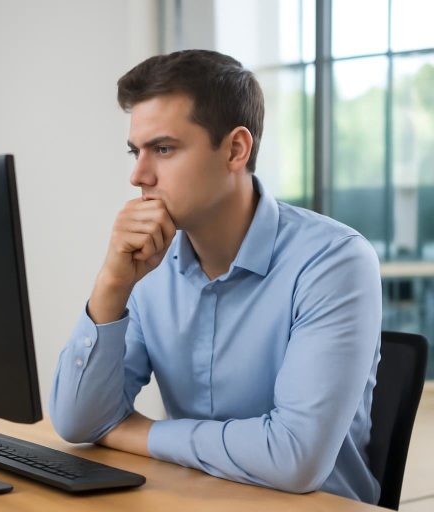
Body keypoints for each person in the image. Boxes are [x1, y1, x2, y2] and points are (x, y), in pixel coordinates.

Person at [48, 50, 382, 504]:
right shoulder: (149, 266)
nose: (137, 175)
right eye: (136, 151)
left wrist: (137, 433)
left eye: (163, 149)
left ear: (235, 149)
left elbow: (294, 458)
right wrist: (112, 284)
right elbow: (78, 423)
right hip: (194, 499)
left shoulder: (334, 262)